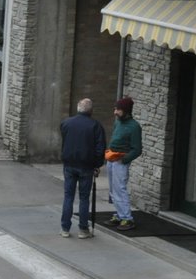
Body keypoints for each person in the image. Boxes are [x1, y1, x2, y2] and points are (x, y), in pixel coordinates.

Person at [59, 99, 107, 238]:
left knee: (68, 196)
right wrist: (97, 165)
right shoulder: (95, 126)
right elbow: (100, 148)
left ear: (78, 108)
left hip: (69, 164)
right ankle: (83, 229)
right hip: (86, 166)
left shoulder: (66, 123)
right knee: (84, 198)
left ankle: (65, 228)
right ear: (91, 110)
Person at [105, 97, 143, 230]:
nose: (115, 112)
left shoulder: (134, 127)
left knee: (119, 188)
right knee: (112, 190)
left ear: (126, 111)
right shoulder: (118, 123)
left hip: (120, 160)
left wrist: (124, 159)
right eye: (115, 109)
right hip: (111, 158)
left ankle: (127, 218)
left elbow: (137, 149)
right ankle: (120, 215)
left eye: (118, 109)